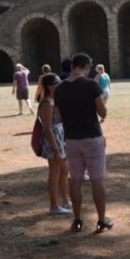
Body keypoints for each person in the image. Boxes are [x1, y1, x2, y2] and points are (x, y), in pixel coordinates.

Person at [54, 53, 113, 234]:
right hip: (92, 137)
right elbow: (102, 113)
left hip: (72, 139)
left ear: (72, 67)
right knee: (96, 179)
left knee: (76, 180)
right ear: (86, 67)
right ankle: (101, 221)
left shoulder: (60, 89)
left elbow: (58, 117)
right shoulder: (91, 85)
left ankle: (77, 221)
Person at [37, 73, 72, 215]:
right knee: (54, 173)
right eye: (57, 82)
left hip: (60, 138)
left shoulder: (53, 99)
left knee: (64, 170)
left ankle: (65, 201)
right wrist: (56, 149)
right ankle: (54, 206)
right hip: (52, 141)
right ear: (50, 86)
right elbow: (47, 128)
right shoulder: (46, 102)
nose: (60, 84)